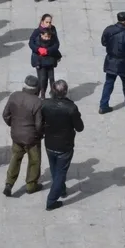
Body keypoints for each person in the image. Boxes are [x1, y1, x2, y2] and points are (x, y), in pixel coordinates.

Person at [41, 79, 84, 211]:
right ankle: (51, 200)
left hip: (49, 143)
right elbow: (80, 127)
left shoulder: (45, 104)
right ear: (65, 92)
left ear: (53, 91)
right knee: (60, 172)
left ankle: (61, 188)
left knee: (54, 169)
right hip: (64, 145)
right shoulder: (71, 107)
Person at [2, 75, 44, 197]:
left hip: (16, 135)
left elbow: (6, 115)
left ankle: (9, 184)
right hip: (32, 138)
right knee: (34, 161)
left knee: (15, 158)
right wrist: (40, 135)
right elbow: (39, 124)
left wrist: (14, 125)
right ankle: (31, 185)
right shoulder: (37, 102)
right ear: (36, 89)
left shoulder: (14, 96)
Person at [99, 12, 125, 113]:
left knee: (108, 83)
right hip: (124, 64)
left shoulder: (109, 29)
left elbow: (103, 42)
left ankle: (103, 105)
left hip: (110, 61)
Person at [29, 19, 61, 99]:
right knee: (42, 79)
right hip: (40, 62)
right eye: (47, 22)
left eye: (50, 22)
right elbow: (31, 43)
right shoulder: (37, 34)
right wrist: (38, 50)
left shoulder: (52, 31)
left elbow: (56, 45)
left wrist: (49, 51)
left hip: (50, 61)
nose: (49, 24)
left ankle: (53, 93)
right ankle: (42, 94)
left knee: (51, 78)